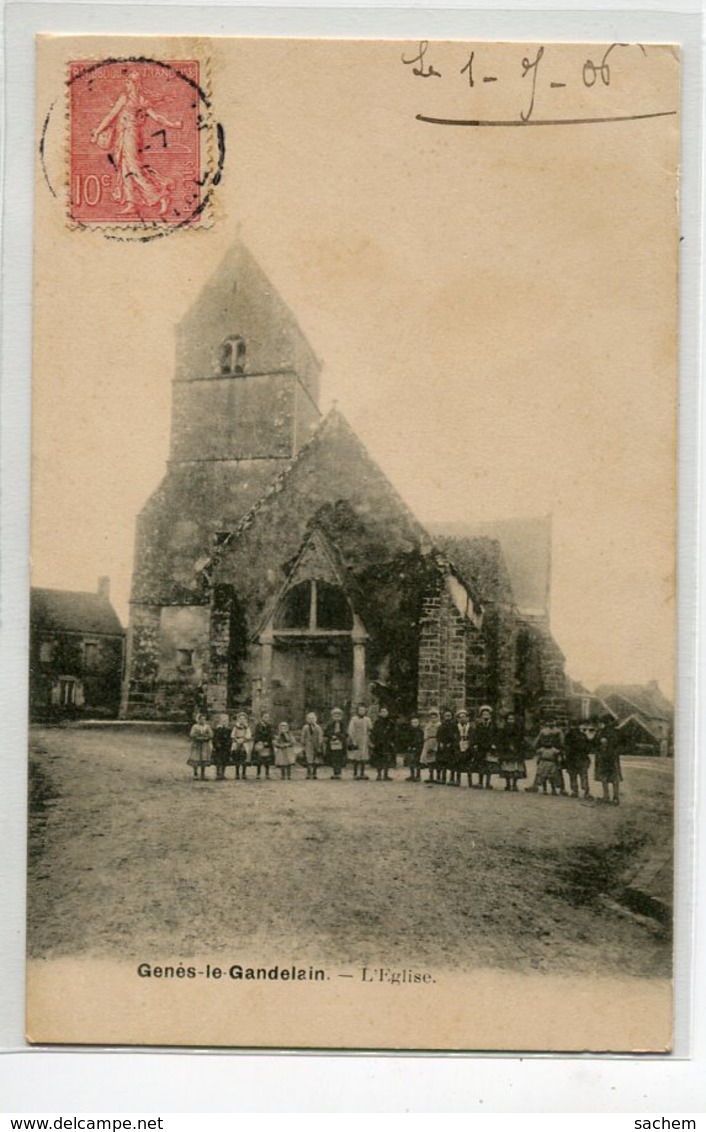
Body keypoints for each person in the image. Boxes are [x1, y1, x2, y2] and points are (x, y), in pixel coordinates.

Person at [90, 70, 182, 216]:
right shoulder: (134, 98)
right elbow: (112, 116)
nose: (127, 84)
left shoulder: (134, 99)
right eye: (128, 81)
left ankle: (160, 195)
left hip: (130, 135)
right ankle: (131, 203)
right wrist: (98, 131)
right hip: (123, 135)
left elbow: (155, 117)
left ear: (133, 84)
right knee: (124, 168)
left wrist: (173, 124)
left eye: (129, 82)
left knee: (133, 167)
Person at [526, 716, 565, 795]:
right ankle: (536, 785)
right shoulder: (543, 731)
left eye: (552, 721)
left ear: (555, 722)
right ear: (546, 722)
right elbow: (537, 741)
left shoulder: (558, 731)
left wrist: (560, 751)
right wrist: (536, 748)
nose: (551, 723)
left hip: (555, 752)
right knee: (541, 770)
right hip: (544, 751)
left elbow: (562, 742)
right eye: (549, 721)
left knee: (556, 772)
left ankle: (561, 788)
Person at [595, 720, 623, 805]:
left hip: (604, 757)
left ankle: (606, 796)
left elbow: (597, 743)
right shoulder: (617, 732)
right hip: (614, 757)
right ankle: (616, 797)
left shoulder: (602, 732)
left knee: (604, 777)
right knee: (615, 777)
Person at [497, 711, 526, 792]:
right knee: (507, 768)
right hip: (506, 750)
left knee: (516, 768)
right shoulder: (503, 729)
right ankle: (508, 784)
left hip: (516, 750)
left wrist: (518, 746)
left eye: (512, 719)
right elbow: (500, 739)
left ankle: (514, 784)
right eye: (509, 719)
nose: (510, 720)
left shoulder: (518, 729)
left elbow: (521, 739)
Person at [564, 721, 593, 799]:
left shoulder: (569, 736)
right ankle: (584, 792)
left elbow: (566, 747)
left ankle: (576, 791)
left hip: (574, 758)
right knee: (582, 775)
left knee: (574, 775)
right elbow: (588, 748)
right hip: (579, 758)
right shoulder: (582, 735)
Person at [472, 705, 498, 789]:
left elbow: (496, 735)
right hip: (481, 747)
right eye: (484, 714)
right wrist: (475, 744)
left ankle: (488, 782)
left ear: (490, 715)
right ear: (481, 716)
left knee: (489, 764)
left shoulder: (493, 725)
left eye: (487, 714)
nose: (486, 716)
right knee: (481, 764)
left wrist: (494, 744)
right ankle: (480, 782)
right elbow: (475, 735)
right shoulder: (479, 725)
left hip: (490, 747)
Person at [370, 706, 397, 780]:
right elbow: (374, 732)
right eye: (382, 712)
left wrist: (392, 741)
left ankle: (386, 774)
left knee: (387, 759)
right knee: (379, 759)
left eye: (385, 712)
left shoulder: (390, 723)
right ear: (379, 713)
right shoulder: (377, 722)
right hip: (379, 743)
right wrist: (373, 741)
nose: (383, 713)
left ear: (387, 713)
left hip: (387, 743)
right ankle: (379, 774)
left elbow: (394, 733)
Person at [347, 703, 373, 780]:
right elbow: (350, 730)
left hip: (364, 739)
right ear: (357, 711)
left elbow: (370, 729)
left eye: (363, 710)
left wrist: (368, 738)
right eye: (360, 710)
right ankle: (355, 773)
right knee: (356, 756)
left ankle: (362, 773)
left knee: (363, 757)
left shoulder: (367, 719)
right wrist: (353, 739)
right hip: (356, 739)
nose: (361, 711)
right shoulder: (354, 719)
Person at [187, 713, 213, 781]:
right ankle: (195, 773)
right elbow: (192, 734)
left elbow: (211, 734)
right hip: (197, 745)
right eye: (201, 719)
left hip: (204, 745)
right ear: (198, 720)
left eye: (204, 719)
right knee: (196, 759)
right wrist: (198, 738)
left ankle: (203, 774)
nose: (202, 721)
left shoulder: (207, 726)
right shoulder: (195, 726)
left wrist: (206, 738)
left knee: (203, 759)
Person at [452, 708, 473, 788]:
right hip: (459, 745)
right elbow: (453, 736)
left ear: (467, 718)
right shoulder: (455, 727)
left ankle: (470, 781)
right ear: (458, 719)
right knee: (458, 763)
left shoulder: (470, 727)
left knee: (468, 764)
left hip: (468, 745)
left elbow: (473, 736)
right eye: (460, 717)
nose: (462, 719)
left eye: (464, 717)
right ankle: (457, 780)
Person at [301, 711, 325, 780]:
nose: (311, 720)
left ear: (315, 719)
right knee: (309, 760)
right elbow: (303, 736)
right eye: (309, 718)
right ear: (307, 719)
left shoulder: (318, 727)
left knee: (315, 759)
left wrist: (320, 743)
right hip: (308, 745)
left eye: (313, 718)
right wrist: (303, 743)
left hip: (316, 745)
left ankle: (314, 773)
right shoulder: (305, 727)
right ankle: (309, 773)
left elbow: (320, 735)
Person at [324, 708, 347, 779]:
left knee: (339, 757)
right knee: (333, 758)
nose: (337, 717)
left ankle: (339, 772)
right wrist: (332, 736)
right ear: (332, 716)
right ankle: (335, 772)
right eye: (335, 716)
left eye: (338, 716)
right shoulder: (330, 724)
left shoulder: (343, 724)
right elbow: (326, 733)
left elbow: (345, 733)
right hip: (332, 743)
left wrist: (339, 737)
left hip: (340, 743)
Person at [252, 710, 275, 779]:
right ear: (261, 717)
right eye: (265, 717)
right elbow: (256, 734)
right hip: (260, 743)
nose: (266, 718)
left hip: (267, 744)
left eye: (267, 717)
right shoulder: (258, 725)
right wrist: (260, 741)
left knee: (267, 759)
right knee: (259, 760)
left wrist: (268, 741)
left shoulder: (270, 725)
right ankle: (258, 774)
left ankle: (267, 773)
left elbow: (271, 734)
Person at [401, 715, 424, 782]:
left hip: (418, 748)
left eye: (416, 722)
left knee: (417, 762)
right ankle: (412, 775)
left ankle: (418, 775)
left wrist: (417, 746)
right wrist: (408, 745)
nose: (415, 724)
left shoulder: (420, 731)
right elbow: (407, 739)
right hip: (410, 747)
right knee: (410, 762)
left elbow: (420, 740)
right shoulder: (409, 731)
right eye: (413, 722)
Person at [436, 709, 456, 786]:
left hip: (451, 746)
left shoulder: (454, 725)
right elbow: (438, 735)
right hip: (442, 746)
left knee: (452, 763)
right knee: (442, 762)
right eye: (446, 716)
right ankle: (442, 778)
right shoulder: (441, 725)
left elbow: (455, 736)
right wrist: (440, 742)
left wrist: (451, 743)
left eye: (449, 716)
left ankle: (452, 779)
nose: (447, 717)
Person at [420, 708, 440, 784]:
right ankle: (430, 776)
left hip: (436, 741)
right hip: (429, 742)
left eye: (434, 717)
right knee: (429, 760)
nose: (433, 719)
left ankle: (438, 777)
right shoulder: (428, 726)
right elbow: (425, 734)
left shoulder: (439, 725)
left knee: (436, 760)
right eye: (431, 717)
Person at [230, 712, 252, 780]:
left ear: (246, 720)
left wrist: (244, 739)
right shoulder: (235, 727)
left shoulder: (247, 727)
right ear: (238, 720)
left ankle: (244, 773)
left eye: (243, 719)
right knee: (237, 758)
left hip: (244, 742)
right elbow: (232, 735)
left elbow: (249, 735)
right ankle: (237, 773)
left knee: (244, 758)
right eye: (240, 719)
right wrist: (236, 739)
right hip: (237, 742)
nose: (242, 720)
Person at [211, 712, 232, 781]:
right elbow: (215, 738)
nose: (225, 722)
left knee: (224, 760)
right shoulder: (218, 729)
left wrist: (229, 744)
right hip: (219, 748)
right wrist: (217, 744)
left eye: (226, 721)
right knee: (218, 761)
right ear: (220, 721)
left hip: (226, 747)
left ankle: (223, 773)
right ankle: (218, 773)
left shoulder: (229, 730)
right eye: (223, 721)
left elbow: (230, 738)